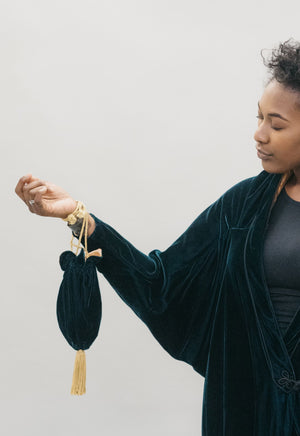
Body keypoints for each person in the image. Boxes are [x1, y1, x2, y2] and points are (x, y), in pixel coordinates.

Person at [15, 39, 300, 436]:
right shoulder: (242, 208)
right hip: (245, 415)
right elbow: (160, 283)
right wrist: (79, 217)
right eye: (259, 119)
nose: (259, 135)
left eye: (277, 124)